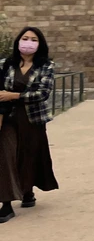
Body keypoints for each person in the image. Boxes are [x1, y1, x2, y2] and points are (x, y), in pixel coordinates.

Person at [0, 27, 59, 222]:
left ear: (40, 44)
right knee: (6, 156)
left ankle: (27, 190)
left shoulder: (46, 66)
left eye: (33, 39)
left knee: (29, 156)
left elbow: (42, 93)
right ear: (18, 41)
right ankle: (6, 204)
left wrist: (14, 95)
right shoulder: (7, 64)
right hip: (8, 118)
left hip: (32, 120)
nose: (28, 42)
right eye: (25, 38)